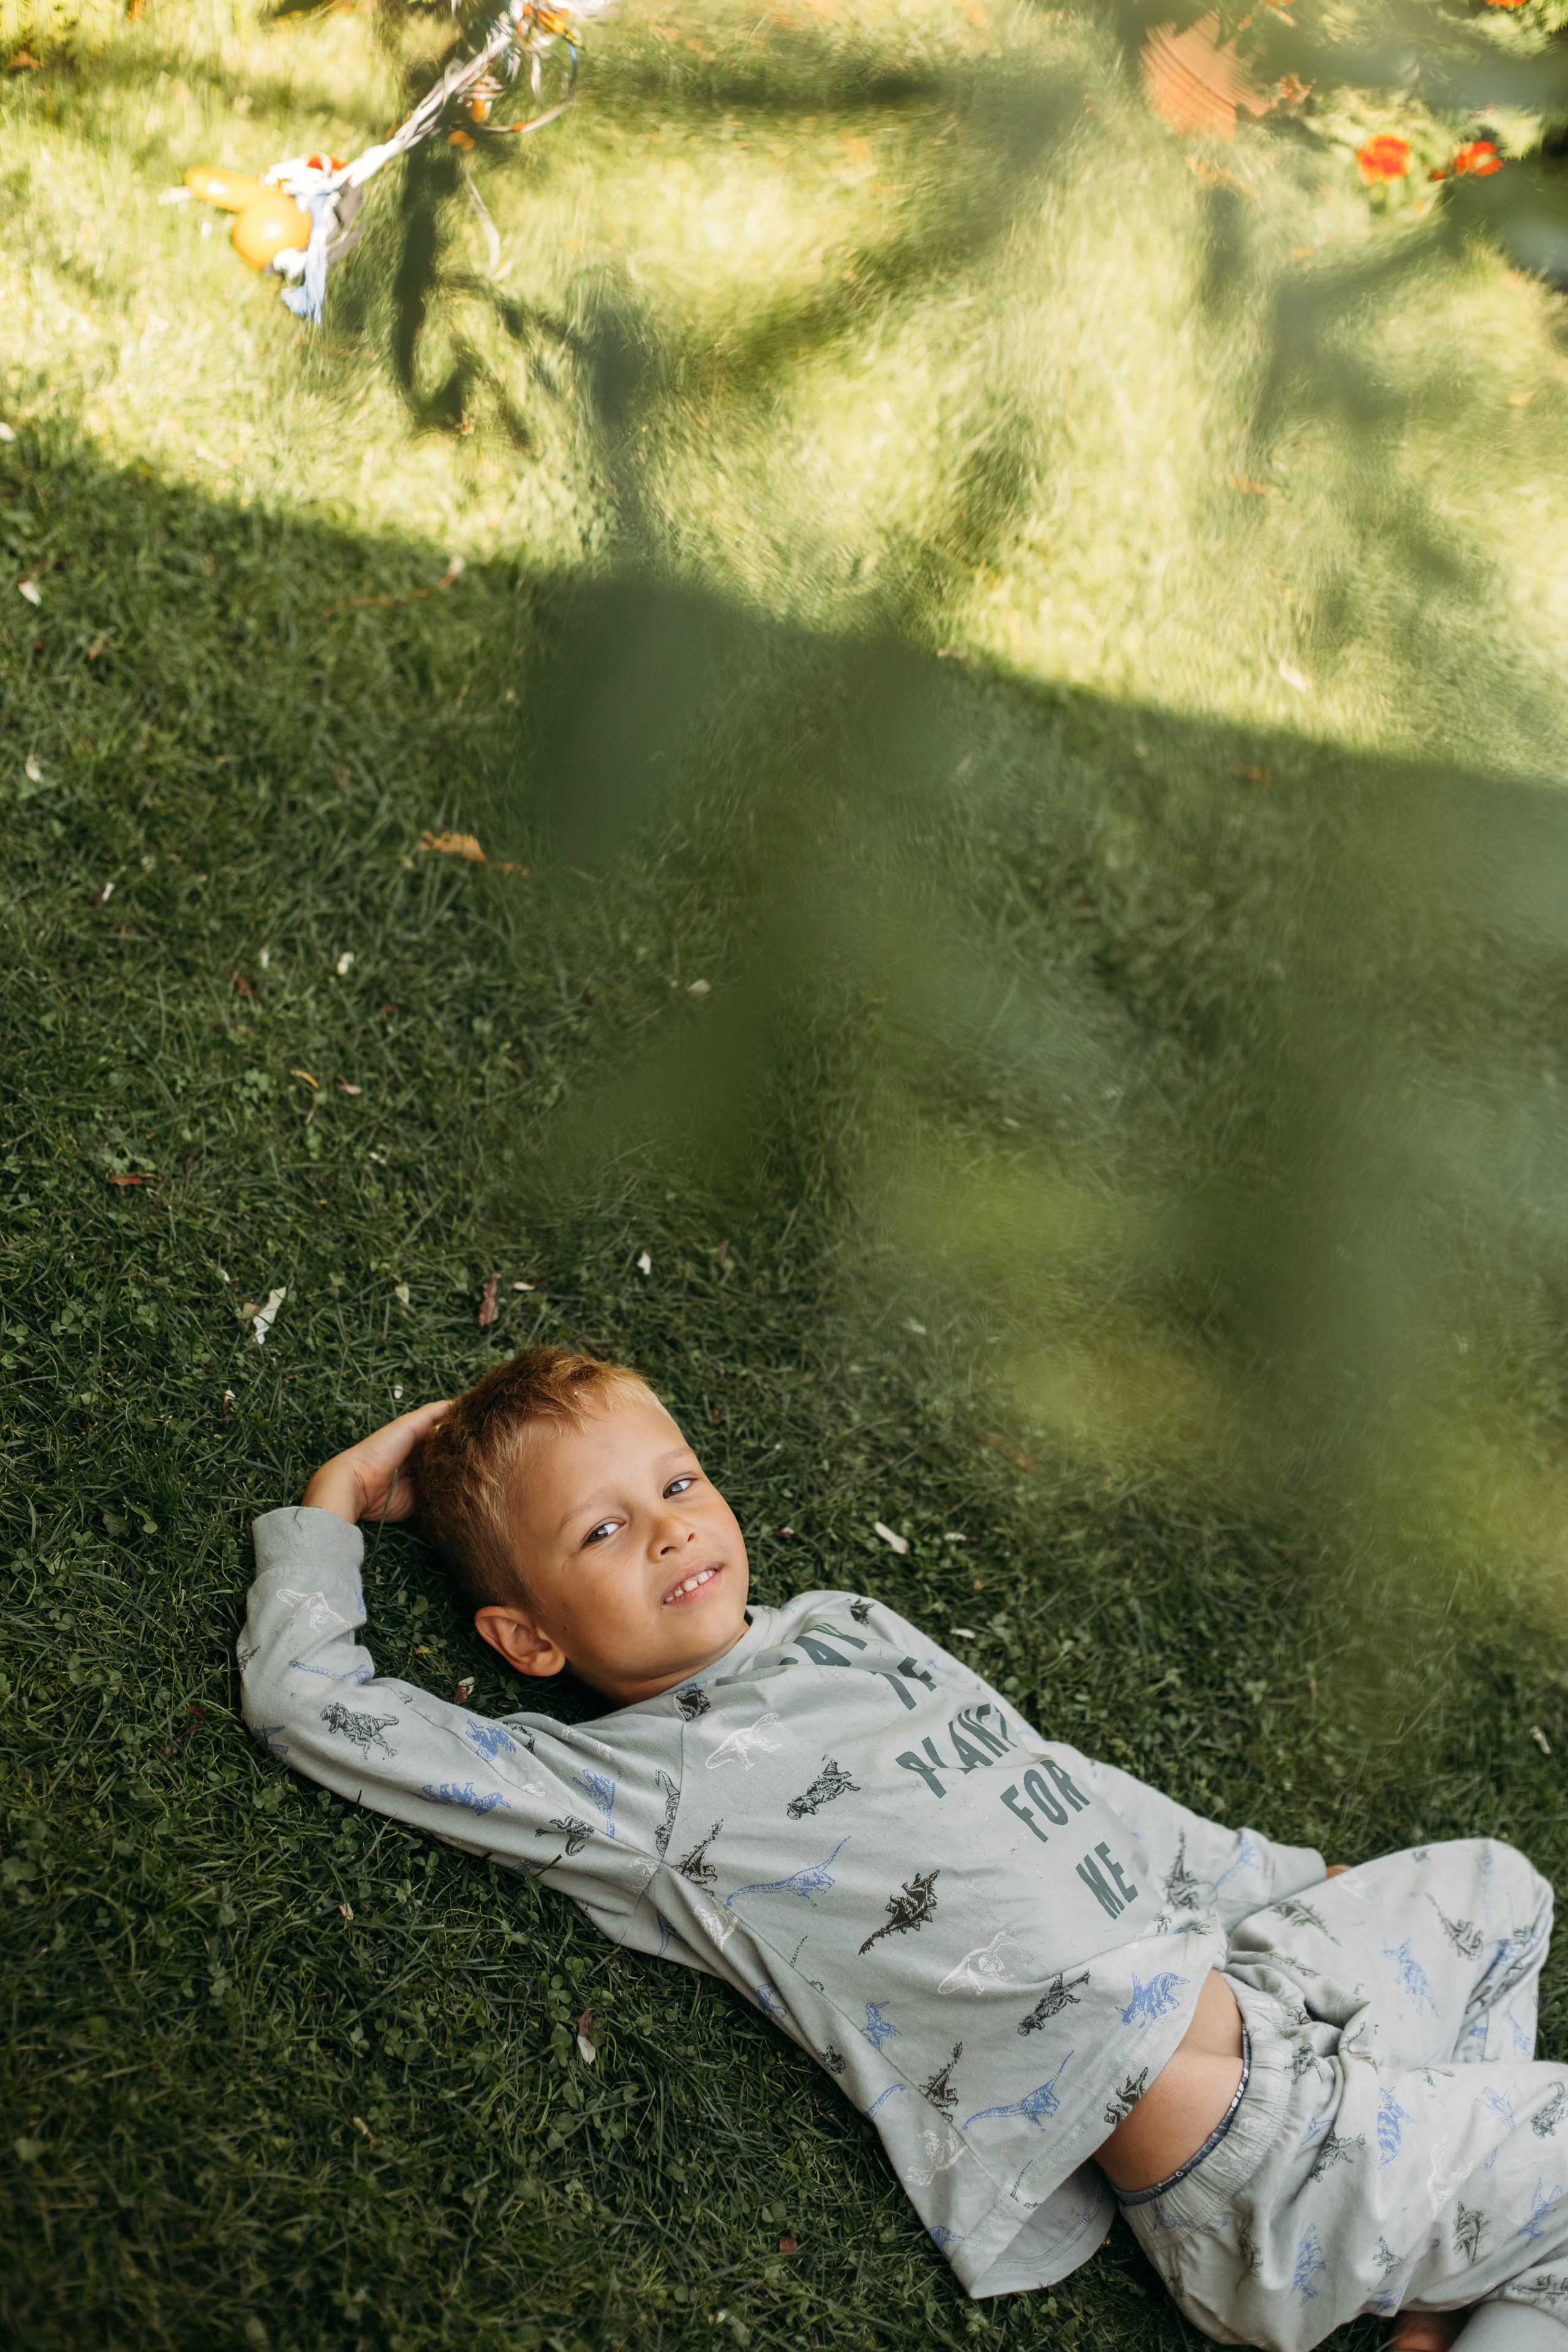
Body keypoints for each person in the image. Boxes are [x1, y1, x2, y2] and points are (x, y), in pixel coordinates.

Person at [239, 1348, 1568, 2351]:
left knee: (1499, 1887)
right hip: (1242, 2152)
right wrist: (334, 1506)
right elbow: (317, 1710)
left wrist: (1267, 1876)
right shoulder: (639, 1787)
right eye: (600, 1533)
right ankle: (1435, 2238)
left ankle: (1435, 2263)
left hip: (1262, 1988)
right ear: (529, 1639)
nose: (667, 1528)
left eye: (675, 1482)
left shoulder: (840, 1626)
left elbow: (1053, 1783)